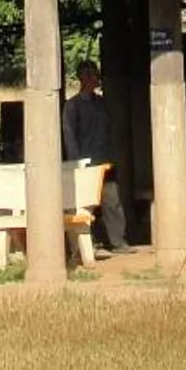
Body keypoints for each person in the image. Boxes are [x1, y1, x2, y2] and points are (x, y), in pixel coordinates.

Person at [62, 60, 127, 252]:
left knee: (112, 202)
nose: (93, 78)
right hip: (85, 164)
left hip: (105, 160)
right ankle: (86, 246)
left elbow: (111, 131)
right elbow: (69, 136)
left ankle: (119, 242)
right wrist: (77, 163)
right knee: (86, 205)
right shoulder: (72, 106)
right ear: (81, 78)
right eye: (89, 74)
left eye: (95, 74)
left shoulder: (102, 104)